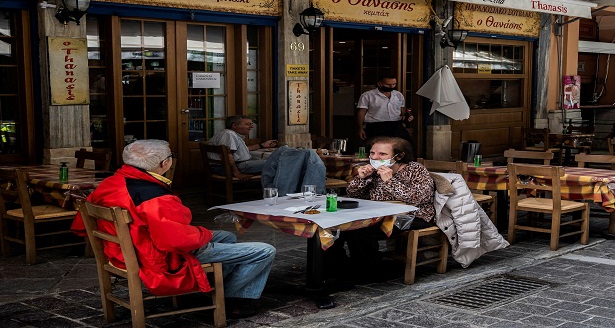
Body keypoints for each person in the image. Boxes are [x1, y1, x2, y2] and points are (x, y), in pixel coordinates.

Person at [71, 139, 276, 319]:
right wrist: (203, 234)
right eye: (171, 156)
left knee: (227, 236)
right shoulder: (154, 196)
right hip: (156, 257)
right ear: (165, 163)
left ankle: (211, 291)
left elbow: (81, 224)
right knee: (265, 251)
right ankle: (231, 302)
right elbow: (175, 242)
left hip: (122, 251)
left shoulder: (111, 182)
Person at [324, 136, 434, 282]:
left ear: (399, 156)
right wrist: (362, 178)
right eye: (372, 153)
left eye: (382, 154)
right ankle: (340, 266)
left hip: (413, 215)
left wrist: (390, 181)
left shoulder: (416, 170)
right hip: (378, 213)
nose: (375, 158)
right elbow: (353, 194)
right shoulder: (373, 171)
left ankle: (370, 271)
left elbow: (416, 198)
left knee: (361, 230)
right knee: (336, 227)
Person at [208, 115, 277, 180]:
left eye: (251, 124)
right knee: (278, 162)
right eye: (247, 124)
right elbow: (227, 155)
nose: (252, 126)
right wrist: (237, 173)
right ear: (234, 125)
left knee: (274, 160)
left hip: (231, 166)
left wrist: (263, 145)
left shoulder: (229, 133)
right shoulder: (229, 135)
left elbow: (243, 149)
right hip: (229, 168)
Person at [356, 76, 413, 142]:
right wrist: (360, 128)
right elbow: (361, 113)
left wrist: (407, 117)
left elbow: (401, 111)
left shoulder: (398, 95)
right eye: (388, 85)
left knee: (406, 146)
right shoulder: (367, 96)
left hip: (396, 125)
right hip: (376, 126)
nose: (391, 86)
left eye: (394, 84)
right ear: (380, 84)